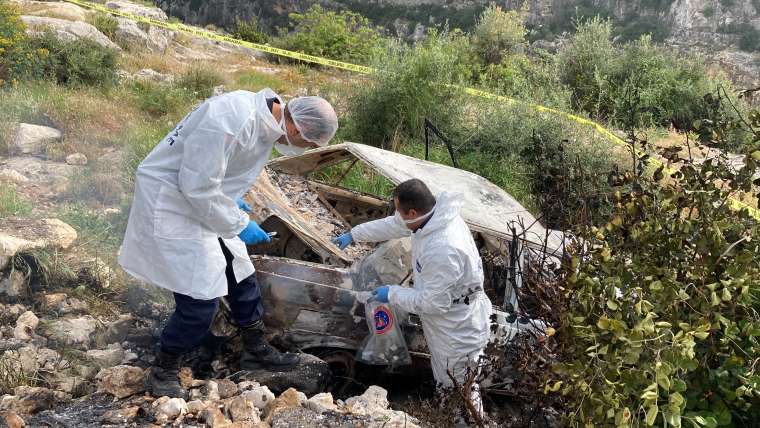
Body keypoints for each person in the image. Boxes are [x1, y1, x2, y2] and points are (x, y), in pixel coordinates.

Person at [119, 88, 338, 399]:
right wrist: (239, 223)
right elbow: (196, 185)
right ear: (296, 127)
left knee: (240, 271)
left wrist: (232, 200)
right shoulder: (231, 119)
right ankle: (164, 369)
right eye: (307, 143)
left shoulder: (264, 122)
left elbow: (216, 170)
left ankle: (255, 349)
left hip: (204, 200)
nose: (302, 148)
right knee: (201, 298)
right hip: (173, 202)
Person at [332, 179, 492, 417]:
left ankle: (468, 422)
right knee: (445, 380)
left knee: (460, 389)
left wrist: (392, 293)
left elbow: (433, 303)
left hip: (458, 327)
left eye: (399, 209)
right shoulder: (430, 217)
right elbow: (395, 224)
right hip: (445, 319)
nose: (397, 214)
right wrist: (355, 234)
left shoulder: (444, 248)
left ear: (413, 211)